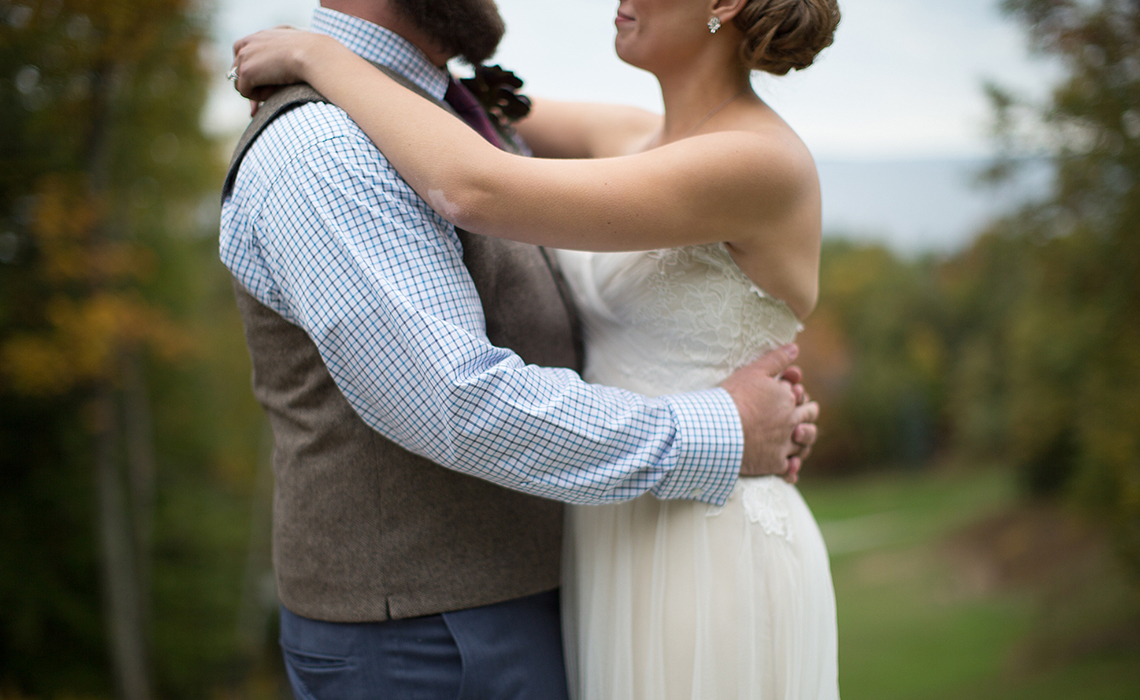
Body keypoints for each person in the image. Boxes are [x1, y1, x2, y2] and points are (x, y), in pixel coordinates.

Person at [221, 1, 820, 699]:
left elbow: (471, 182)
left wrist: (317, 56)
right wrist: (330, 60)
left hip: (706, 540)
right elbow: (440, 105)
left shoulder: (756, 160)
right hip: (605, 545)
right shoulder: (628, 135)